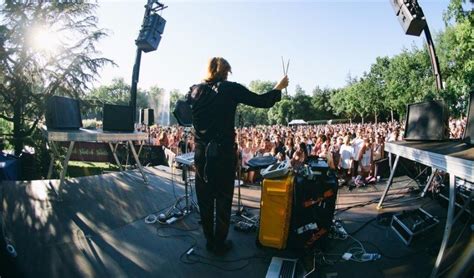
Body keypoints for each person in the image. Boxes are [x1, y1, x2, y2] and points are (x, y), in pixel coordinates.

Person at [187, 57, 289, 254]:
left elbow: (182, 113)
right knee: (224, 198)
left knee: (205, 197)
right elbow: (261, 101)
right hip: (223, 152)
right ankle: (220, 243)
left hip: (201, 153)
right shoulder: (230, 88)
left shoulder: (194, 90)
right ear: (225, 72)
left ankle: (209, 241)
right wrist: (278, 87)